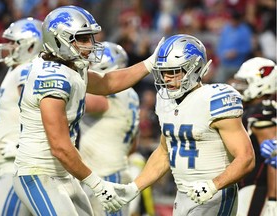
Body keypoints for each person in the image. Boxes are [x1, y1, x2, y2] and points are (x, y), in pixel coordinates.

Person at [12, 5, 163, 215]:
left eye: (90, 38)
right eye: (83, 38)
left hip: (63, 172)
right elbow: (59, 147)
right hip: (39, 172)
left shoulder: (69, 68)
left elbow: (108, 83)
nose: (90, 45)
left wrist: (149, 63)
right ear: (58, 40)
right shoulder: (52, 78)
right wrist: (98, 184)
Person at [109, 34, 255, 215]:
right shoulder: (165, 101)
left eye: (173, 71)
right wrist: (134, 187)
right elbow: (164, 152)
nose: (167, 78)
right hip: (183, 195)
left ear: (194, 68)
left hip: (215, 194)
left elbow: (246, 158)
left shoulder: (215, 99)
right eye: (163, 72)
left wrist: (213, 185)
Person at [79, 41, 141, 216]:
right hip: (113, 170)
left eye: (91, 62)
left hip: (106, 176)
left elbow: (77, 101)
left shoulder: (110, 91)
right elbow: (134, 143)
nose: (87, 65)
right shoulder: (131, 93)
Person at [0, 17, 43, 215]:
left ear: (31, 46)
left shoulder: (26, 71)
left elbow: (41, 113)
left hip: (16, 169)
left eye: (13, 42)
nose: (7, 46)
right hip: (14, 167)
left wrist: (22, 146)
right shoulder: (18, 70)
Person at [231, 57, 277, 216]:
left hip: (257, 186)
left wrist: (273, 199)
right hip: (245, 185)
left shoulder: (263, 112)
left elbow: (274, 157)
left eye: (245, 82)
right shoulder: (252, 110)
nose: (239, 87)